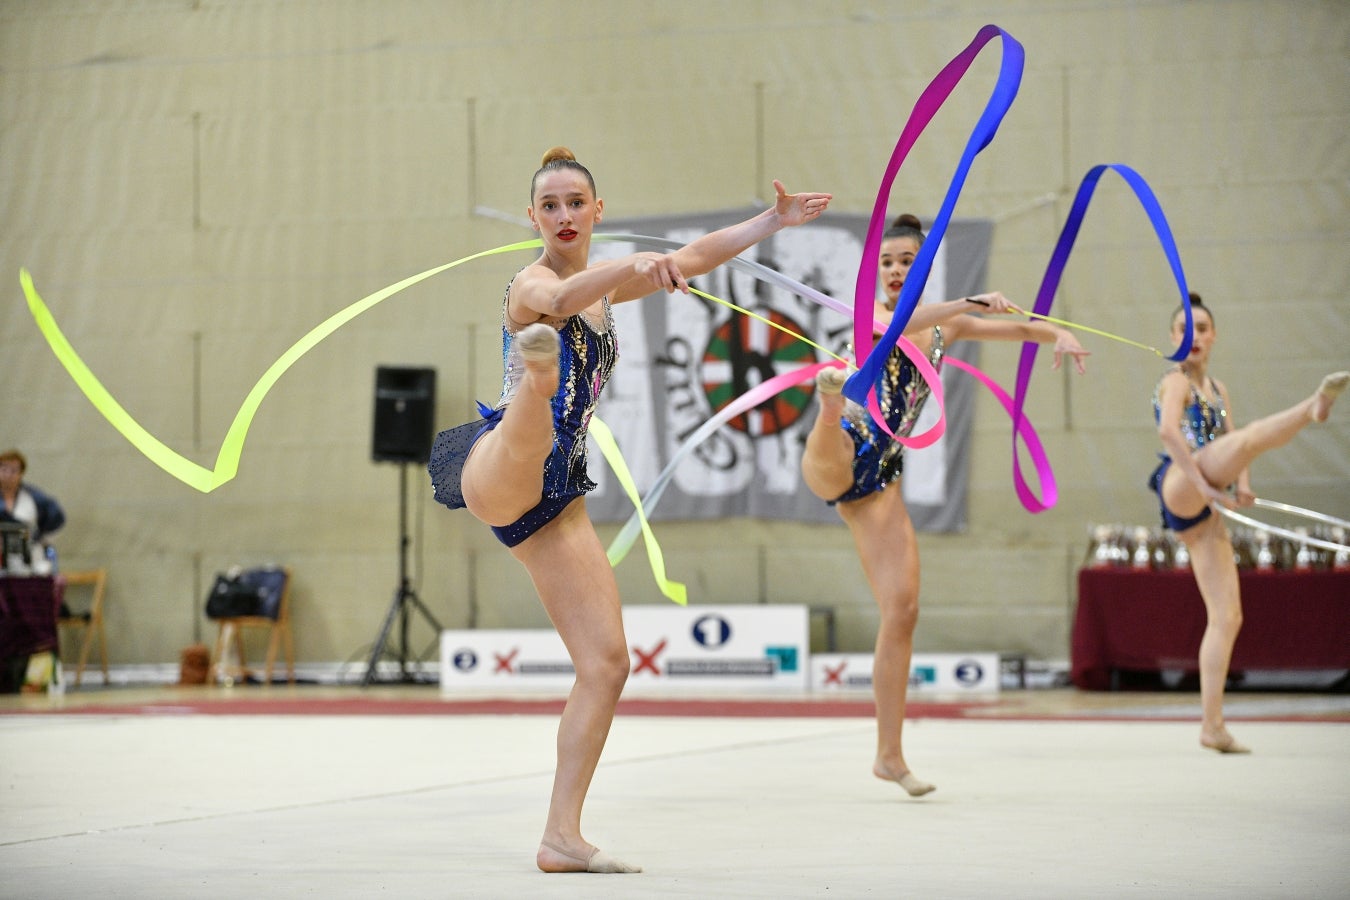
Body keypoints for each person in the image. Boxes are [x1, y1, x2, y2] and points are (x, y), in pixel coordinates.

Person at [427, 146, 832, 873]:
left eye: (575, 202)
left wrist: (772, 219)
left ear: (597, 209)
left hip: (558, 498)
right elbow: (556, 302)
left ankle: (560, 835)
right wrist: (633, 267)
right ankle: (540, 376)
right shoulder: (531, 282)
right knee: (531, 416)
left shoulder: (610, 284)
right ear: (532, 218)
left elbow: (699, 255)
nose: (562, 215)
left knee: (607, 664)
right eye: (549, 206)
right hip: (501, 470)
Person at [800, 214, 1089, 797]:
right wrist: (968, 302)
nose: (894, 270)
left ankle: (889, 755)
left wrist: (1055, 333)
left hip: (881, 477)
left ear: (923, 267)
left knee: (902, 611)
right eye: (886, 262)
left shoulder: (945, 328)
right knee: (831, 457)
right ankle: (828, 405)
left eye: (906, 261)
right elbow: (897, 326)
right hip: (844, 450)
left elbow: (1013, 332)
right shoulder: (875, 316)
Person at [1148, 293, 1346, 754]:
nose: (1192, 337)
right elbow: (1168, 433)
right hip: (1180, 479)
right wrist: (1204, 482)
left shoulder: (1217, 388)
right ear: (1172, 339)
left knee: (1228, 615)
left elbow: (1234, 443)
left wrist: (1242, 487)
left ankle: (1211, 725)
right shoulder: (1175, 381)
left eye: (1201, 328)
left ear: (1214, 335)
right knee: (1254, 438)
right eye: (1183, 329)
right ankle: (1312, 407)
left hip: (1206, 494)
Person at [0, 448, 65, 574]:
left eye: (14, 471)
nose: (8, 475)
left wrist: (41, 541)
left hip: (29, 560)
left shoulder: (35, 498)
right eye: (4, 469)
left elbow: (56, 518)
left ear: (21, 473)